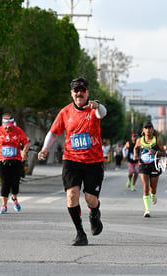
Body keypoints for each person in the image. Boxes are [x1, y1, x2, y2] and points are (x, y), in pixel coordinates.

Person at [37, 77, 107, 246]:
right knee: (71, 196)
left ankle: (94, 212)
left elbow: (102, 112)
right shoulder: (65, 112)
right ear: (72, 93)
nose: (79, 93)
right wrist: (45, 148)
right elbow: (53, 132)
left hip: (93, 162)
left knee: (91, 199)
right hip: (71, 160)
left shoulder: (93, 109)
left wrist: (97, 105)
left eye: (82, 90)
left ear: (87, 92)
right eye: (76, 90)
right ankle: (80, 233)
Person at [0, 113, 30, 214]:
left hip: (16, 159)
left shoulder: (18, 131)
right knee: (5, 182)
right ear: (3, 125)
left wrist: (24, 151)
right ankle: (4, 206)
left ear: (13, 125)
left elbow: (26, 143)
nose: (8, 129)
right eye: (6, 127)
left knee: (14, 182)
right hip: (1, 159)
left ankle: (14, 198)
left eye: (10, 127)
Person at [134, 121, 165, 218]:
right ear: (143, 130)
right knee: (145, 187)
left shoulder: (157, 140)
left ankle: (154, 195)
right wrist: (135, 154)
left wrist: (155, 152)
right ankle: (147, 210)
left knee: (153, 189)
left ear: (152, 129)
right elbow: (135, 148)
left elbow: (164, 153)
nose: (148, 130)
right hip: (143, 165)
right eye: (146, 128)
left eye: (150, 128)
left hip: (154, 165)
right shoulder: (139, 140)